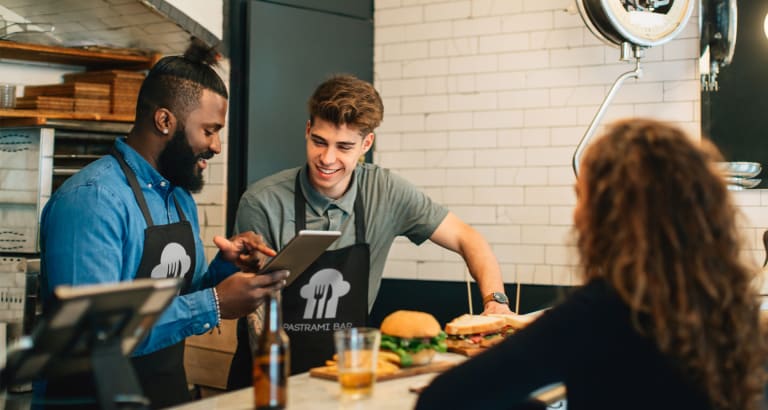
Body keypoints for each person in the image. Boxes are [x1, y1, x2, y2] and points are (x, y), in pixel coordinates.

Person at [415, 118, 768, 410]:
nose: (576, 214)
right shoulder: (728, 303)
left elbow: (442, 399)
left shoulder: (602, 311)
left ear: (610, 215)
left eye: (581, 197)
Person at [38, 39, 287, 409]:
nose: (217, 146)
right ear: (165, 120)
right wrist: (215, 303)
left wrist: (225, 269)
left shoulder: (179, 196)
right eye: (209, 130)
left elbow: (185, 295)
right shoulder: (92, 200)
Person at [225, 74, 513, 382]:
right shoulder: (262, 201)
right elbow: (253, 312)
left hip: (348, 375)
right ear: (308, 131)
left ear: (366, 144)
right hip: (269, 376)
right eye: (319, 141)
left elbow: (467, 237)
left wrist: (496, 302)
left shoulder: (386, 192)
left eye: (344, 147)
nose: (327, 158)